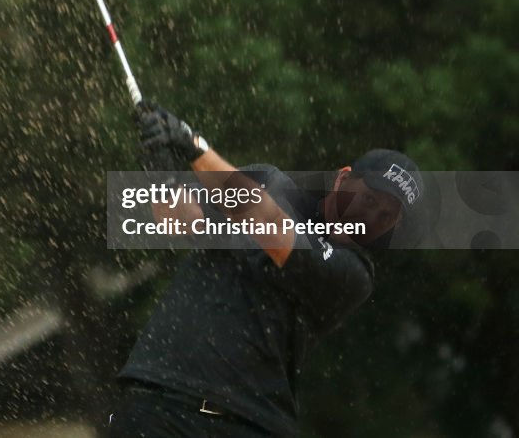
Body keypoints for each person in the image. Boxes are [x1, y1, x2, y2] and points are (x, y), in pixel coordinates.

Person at [107, 105, 424, 437]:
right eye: (369, 199)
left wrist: (192, 144)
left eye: (386, 217)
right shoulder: (269, 182)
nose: (371, 218)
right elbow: (180, 220)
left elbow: (268, 223)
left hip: (245, 423)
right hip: (155, 400)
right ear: (343, 177)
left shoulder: (354, 274)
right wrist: (160, 166)